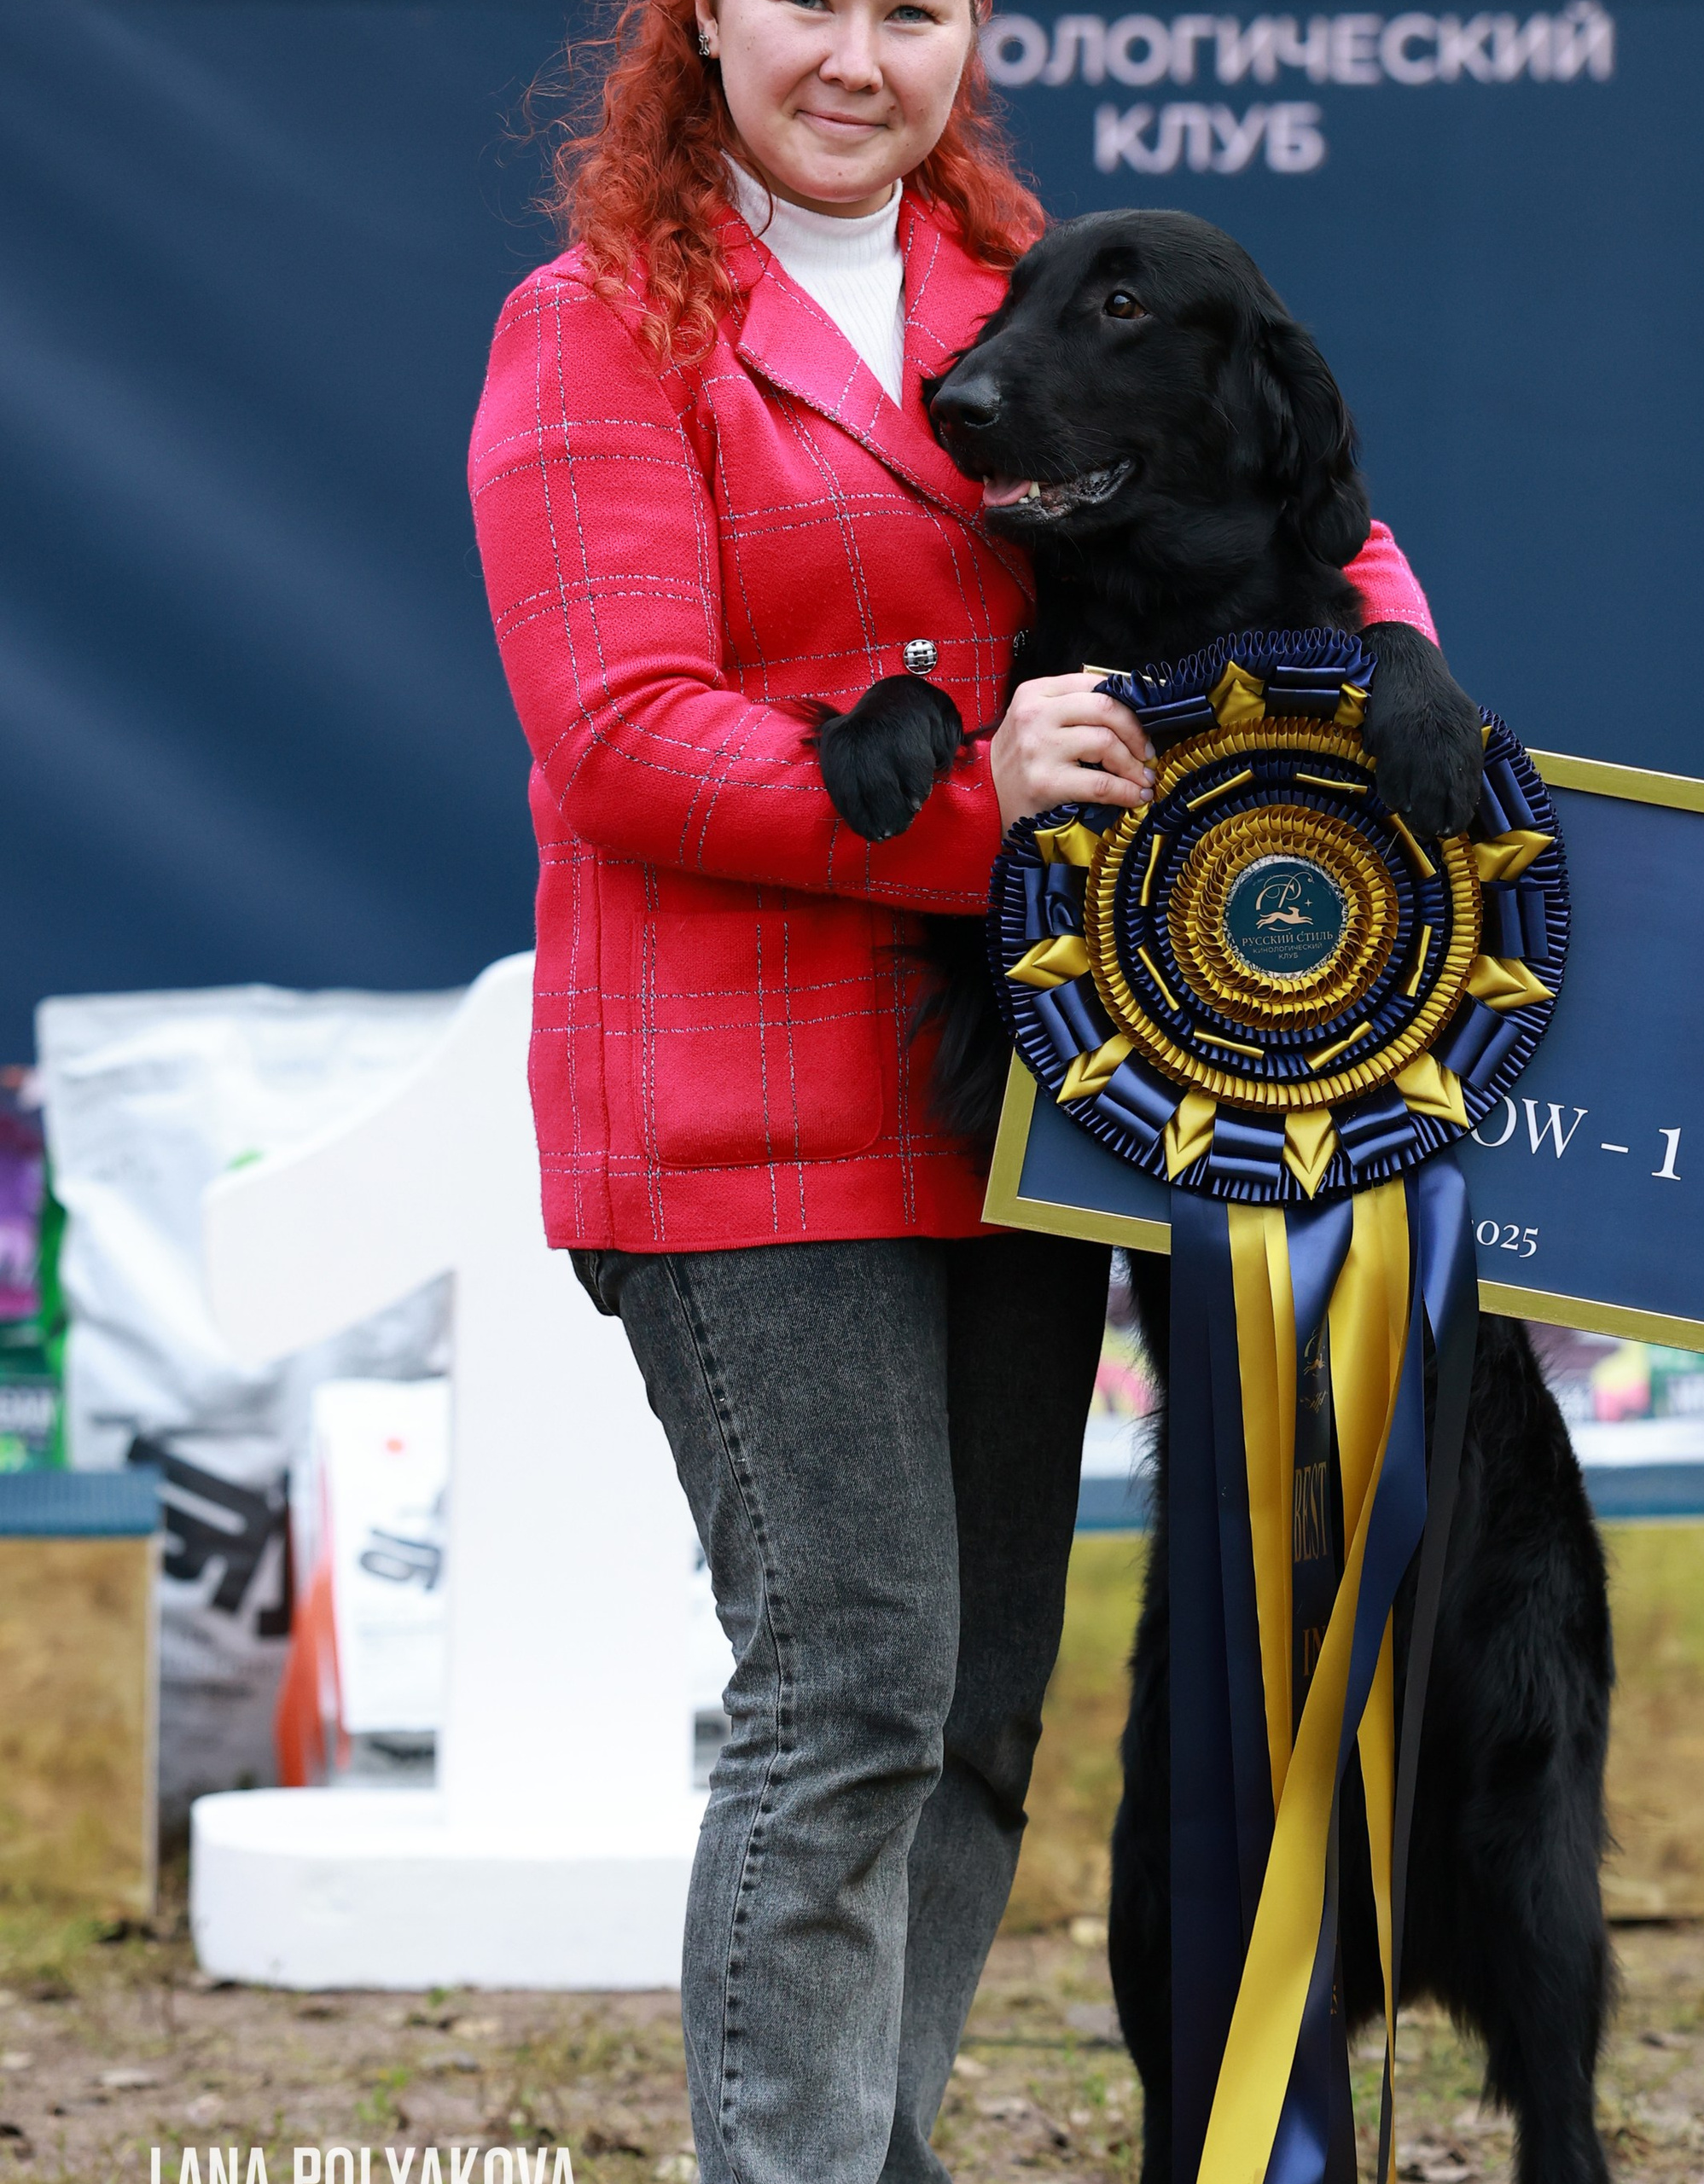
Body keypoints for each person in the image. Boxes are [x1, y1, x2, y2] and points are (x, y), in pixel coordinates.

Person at [468, 0, 1442, 2175]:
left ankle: (867, 2145)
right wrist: (966, 801)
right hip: (730, 1110)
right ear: (703, 19)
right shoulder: (594, 328)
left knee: (983, 1705)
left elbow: (1299, 505)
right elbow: (617, 727)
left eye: (912, 11)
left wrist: (1392, 677)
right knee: (851, 1689)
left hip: (1020, 1098)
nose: (854, 56)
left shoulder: (1012, 288)